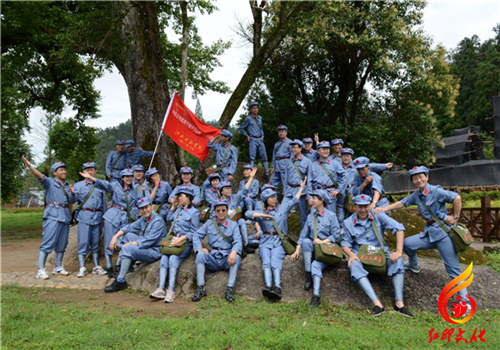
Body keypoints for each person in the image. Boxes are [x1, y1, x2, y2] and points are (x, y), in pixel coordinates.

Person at [375, 166, 471, 309]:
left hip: (443, 234)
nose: (418, 180)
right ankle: (414, 265)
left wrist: (455, 217)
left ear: (427, 177)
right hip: (430, 233)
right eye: (415, 178)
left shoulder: (436, 191)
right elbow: (403, 203)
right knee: (408, 244)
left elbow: (456, 198)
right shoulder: (417, 195)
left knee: (453, 269)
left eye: (421, 177)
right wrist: (383, 209)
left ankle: (465, 302)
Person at [342, 194, 413, 317]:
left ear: (370, 205)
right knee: (354, 265)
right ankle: (377, 304)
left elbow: (399, 228)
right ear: (354, 207)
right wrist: (351, 255)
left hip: (381, 255)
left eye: (366, 206)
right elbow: (345, 244)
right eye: (360, 207)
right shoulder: (348, 222)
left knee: (399, 262)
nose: (363, 210)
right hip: (362, 257)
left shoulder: (378, 215)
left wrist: (398, 251)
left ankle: (399, 304)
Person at [245, 176, 307, 300]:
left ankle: (277, 288)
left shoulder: (282, 208)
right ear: (265, 199)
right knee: (266, 262)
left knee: (275, 262)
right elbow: (247, 214)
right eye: (271, 197)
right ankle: (268, 287)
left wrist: (301, 188)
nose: (274, 199)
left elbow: (294, 200)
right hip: (265, 241)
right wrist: (262, 215)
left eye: (274, 196)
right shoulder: (261, 210)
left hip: (279, 241)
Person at [21, 157, 76, 279]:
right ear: (54, 172)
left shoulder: (67, 186)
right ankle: (41, 270)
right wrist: (30, 166)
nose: (64, 172)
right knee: (48, 242)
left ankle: (58, 267)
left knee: (62, 243)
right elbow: (40, 176)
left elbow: (72, 201)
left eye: (64, 170)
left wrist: (72, 193)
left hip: (65, 216)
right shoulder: (50, 182)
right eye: (61, 170)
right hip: (53, 215)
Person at [80, 168, 137, 277]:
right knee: (109, 241)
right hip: (113, 216)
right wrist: (91, 178)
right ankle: (109, 267)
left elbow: (139, 203)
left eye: (130, 176)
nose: (129, 178)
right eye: (126, 176)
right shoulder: (115, 185)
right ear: (122, 178)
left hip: (125, 218)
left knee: (124, 240)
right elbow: (105, 184)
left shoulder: (135, 190)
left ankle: (120, 265)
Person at [104, 197, 167, 293]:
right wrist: (115, 237)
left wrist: (130, 244)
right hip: (146, 246)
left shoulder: (158, 221)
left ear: (151, 206)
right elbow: (128, 227)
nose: (145, 210)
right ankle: (127, 264)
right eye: (142, 208)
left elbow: (148, 241)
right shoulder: (144, 219)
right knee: (126, 235)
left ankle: (120, 282)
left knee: (127, 248)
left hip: (154, 251)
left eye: (146, 207)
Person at [150, 187, 200, 303]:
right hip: (173, 240)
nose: (179, 198)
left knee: (173, 258)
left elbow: (194, 232)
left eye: (181, 196)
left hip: (184, 243)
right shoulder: (179, 209)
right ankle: (161, 288)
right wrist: (174, 206)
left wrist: (182, 238)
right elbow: (169, 218)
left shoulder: (194, 213)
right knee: (164, 257)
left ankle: (171, 290)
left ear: (188, 197)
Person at [291, 189, 340, 307]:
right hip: (313, 250)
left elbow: (336, 235)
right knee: (307, 241)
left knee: (316, 265)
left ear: (321, 200)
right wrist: (297, 249)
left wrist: (323, 242)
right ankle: (308, 275)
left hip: (325, 251)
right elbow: (303, 235)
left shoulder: (331, 216)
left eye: (314, 198)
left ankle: (316, 296)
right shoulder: (310, 216)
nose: (311, 200)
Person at [192, 198, 243, 303]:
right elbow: (196, 235)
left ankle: (229, 289)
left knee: (237, 257)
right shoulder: (209, 223)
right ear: (214, 212)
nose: (221, 213)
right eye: (218, 210)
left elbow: (238, 241)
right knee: (200, 255)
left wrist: (234, 252)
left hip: (227, 258)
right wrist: (199, 249)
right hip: (213, 257)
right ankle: (200, 288)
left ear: (227, 211)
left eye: (223, 210)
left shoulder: (233, 225)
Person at [73, 162, 108, 277]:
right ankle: (82, 267)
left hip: (97, 216)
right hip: (84, 216)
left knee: (96, 242)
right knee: (83, 242)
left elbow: (104, 203)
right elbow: (73, 200)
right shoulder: (78, 185)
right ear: (84, 172)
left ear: (95, 172)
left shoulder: (100, 185)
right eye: (87, 170)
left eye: (92, 170)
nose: (90, 172)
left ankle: (96, 266)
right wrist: (72, 193)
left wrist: (105, 217)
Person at [217, 167, 259, 255]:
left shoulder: (234, 197)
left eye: (230, 188)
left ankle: (246, 245)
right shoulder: (218, 203)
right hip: (225, 226)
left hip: (235, 223)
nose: (229, 190)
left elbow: (244, 190)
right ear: (221, 191)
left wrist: (251, 178)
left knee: (242, 221)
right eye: (226, 188)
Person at [282, 139, 313, 229]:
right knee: (282, 213)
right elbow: (285, 178)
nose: (293, 149)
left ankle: (303, 240)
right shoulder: (289, 161)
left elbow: (310, 179)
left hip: (301, 192)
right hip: (289, 191)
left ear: (300, 149)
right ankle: (283, 236)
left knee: (303, 217)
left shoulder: (307, 162)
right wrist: (285, 191)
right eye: (292, 148)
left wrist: (309, 195)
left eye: (295, 147)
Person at [310, 141, 346, 215]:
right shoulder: (313, 165)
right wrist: (309, 196)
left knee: (331, 216)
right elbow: (309, 182)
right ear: (318, 151)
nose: (326, 151)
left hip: (330, 194)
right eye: (323, 149)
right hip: (317, 194)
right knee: (315, 216)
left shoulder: (335, 164)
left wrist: (338, 190)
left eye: (327, 149)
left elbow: (344, 176)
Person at [239, 101, 270, 179]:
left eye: (256, 108)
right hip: (253, 138)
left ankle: (266, 173)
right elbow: (242, 127)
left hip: (260, 139)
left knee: (264, 156)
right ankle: (251, 174)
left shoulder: (260, 118)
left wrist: (263, 135)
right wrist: (246, 135)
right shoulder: (248, 118)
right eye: (254, 108)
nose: (255, 109)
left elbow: (261, 128)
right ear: (250, 110)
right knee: (252, 156)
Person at [270, 125, 293, 189]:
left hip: (285, 165)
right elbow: (274, 156)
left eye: (282, 131)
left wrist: (290, 167)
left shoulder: (290, 142)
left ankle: (286, 198)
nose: (281, 133)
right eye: (279, 132)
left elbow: (292, 155)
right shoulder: (276, 144)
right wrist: (273, 166)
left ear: (286, 132)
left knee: (285, 184)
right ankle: (273, 198)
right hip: (277, 165)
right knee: (271, 182)